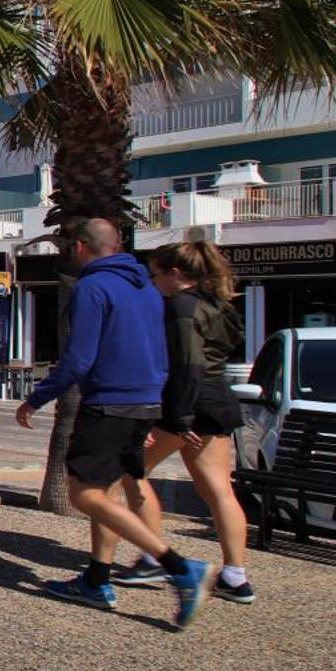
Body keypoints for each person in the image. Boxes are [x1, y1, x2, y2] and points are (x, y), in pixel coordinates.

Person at [16, 218, 214, 627]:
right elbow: (160, 350)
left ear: (81, 249)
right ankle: (96, 580)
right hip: (144, 402)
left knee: (84, 496)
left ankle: (179, 567)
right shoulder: (147, 287)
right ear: (119, 244)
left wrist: (36, 398)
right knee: (105, 494)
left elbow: (79, 358)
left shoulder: (92, 286)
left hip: (109, 403)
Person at [111, 240, 256, 603]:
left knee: (131, 471)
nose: (153, 281)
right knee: (218, 490)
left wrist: (177, 419)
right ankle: (235, 576)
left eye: (156, 274)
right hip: (216, 401)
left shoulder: (181, 307)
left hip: (186, 404)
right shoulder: (217, 303)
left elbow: (188, 365)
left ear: (175, 274)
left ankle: (152, 557)